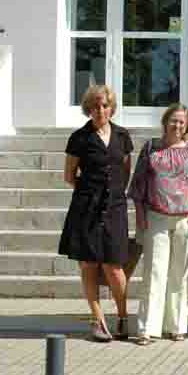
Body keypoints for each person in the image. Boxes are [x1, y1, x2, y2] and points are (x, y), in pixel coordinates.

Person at [58, 84, 134, 342]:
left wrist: (112, 194)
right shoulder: (79, 138)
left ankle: (123, 316)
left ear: (111, 107)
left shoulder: (123, 136)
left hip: (115, 207)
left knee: (114, 266)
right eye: (94, 106)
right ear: (88, 109)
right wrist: (91, 191)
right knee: (89, 263)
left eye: (104, 105)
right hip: (86, 208)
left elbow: (125, 172)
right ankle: (97, 319)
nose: (100, 110)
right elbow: (69, 176)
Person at [129, 103, 188, 345]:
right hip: (155, 216)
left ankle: (176, 326)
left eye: (182, 122)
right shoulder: (151, 148)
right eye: (173, 120)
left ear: (187, 125)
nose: (177, 125)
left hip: (185, 217)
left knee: (179, 274)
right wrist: (139, 214)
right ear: (165, 122)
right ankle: (146, 328)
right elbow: (138, 183)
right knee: (154, 272)